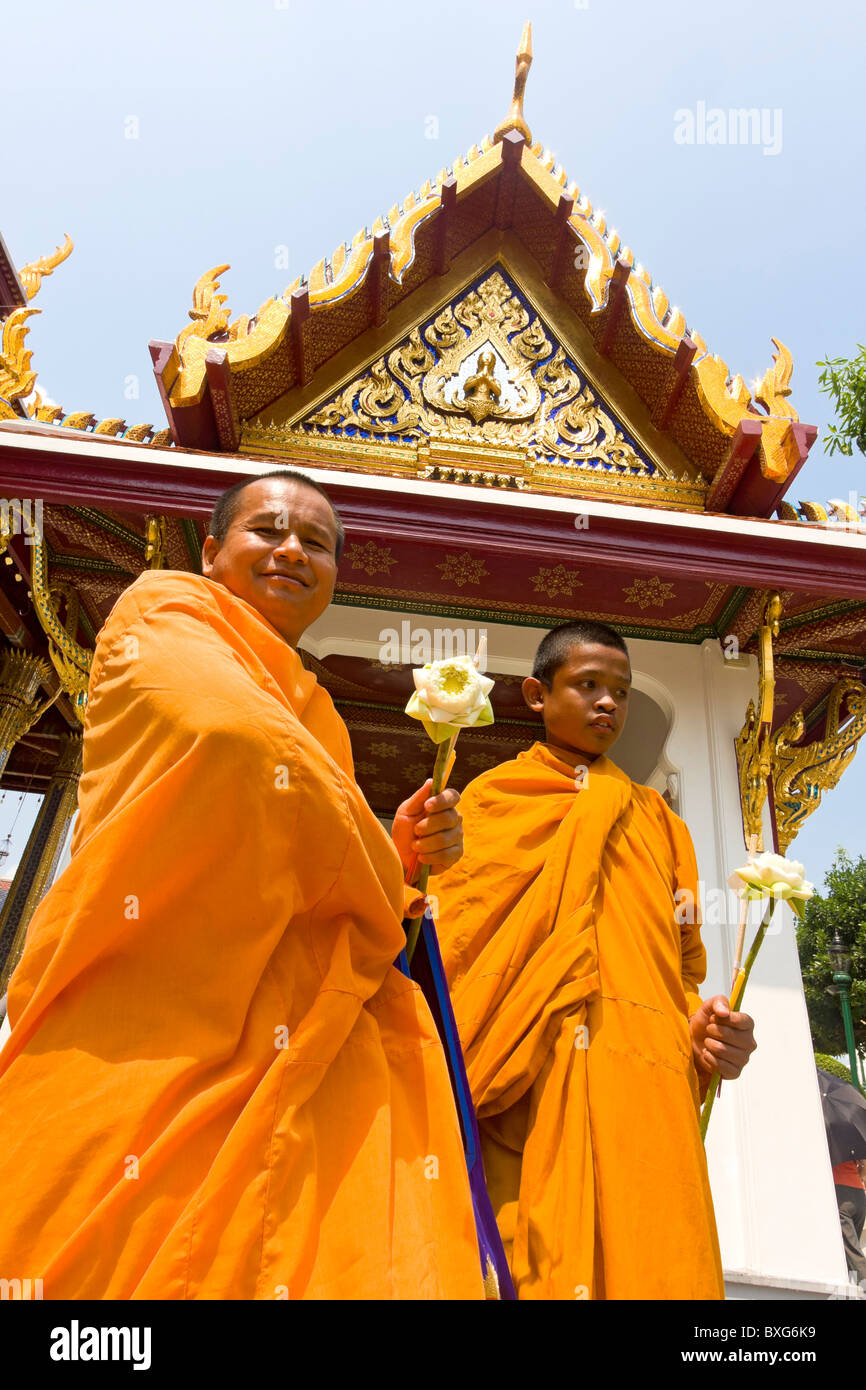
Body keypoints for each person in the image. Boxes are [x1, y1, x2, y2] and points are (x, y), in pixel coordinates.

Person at [0, 469, 486, 1300]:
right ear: (212, 549)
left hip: (301, 1020)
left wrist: (395, 856)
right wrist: (374, 860)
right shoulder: (163, 611)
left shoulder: (318, 708)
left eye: (321, 544)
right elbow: (236, 749)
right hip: (149, 1003)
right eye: (269, 530)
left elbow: (306, 831)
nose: (295, 550)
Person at [431, 619, 758, 1300]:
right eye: (587, 686)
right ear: (536, 695)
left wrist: (706, 1038)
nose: (608, 703)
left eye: (622, 691)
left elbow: (679, 974)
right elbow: (454, 957)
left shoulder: (660, 821)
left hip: (641, 1079)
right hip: (527, 1081)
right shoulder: (493, 802)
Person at [832, 1157, 866, 1286]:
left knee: (852, 1252)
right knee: (850, 1253)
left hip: (841, 1193)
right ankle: (852, 1287)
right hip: (859, 1195)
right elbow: (864, 1165)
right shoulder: (850, 1142)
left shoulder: (829, 1142)